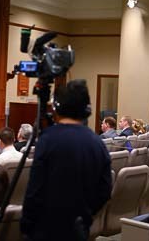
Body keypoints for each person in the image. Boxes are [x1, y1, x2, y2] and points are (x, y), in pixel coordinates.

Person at [22, 79, 112, 240]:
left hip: (46, 230)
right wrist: (85, 215)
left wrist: (27, 226)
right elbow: (104, 191)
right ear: (87, 110)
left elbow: (35, 191)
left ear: (57, 108)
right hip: (79, 228)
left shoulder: (47, 140)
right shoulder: (98, 143)